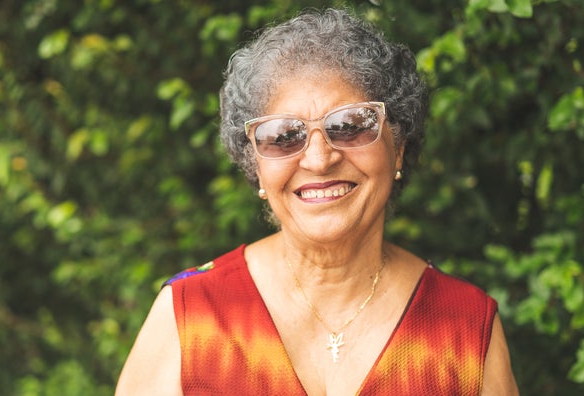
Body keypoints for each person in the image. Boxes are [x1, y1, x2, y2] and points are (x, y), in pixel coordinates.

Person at [116, 8, 519, 395]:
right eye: (283, 135)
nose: (319, 158)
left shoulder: (467, 327)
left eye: (350, 126)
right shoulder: (191, 314)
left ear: (397, 149)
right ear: (255, 165)